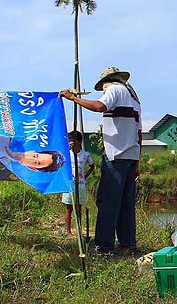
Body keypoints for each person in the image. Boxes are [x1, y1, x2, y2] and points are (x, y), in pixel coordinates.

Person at [60, 66, 142, 256]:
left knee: (107, 201)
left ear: (108, 82)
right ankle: (128, 243)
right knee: (125, 203)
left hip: (116, 155)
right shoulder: (134, 99)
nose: (104, 91)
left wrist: (74, 99)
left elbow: (99, 106)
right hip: (130, 156)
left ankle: (104, 246)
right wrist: (137, 162)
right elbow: (139, 134)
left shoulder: (114, 89)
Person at [62, 130, 95, 235]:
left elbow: (92, 166)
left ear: (79, 141)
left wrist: (85, 176)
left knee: (78, 208)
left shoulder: (85, 155)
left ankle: (79, 230)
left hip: (80, 184)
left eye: (72, 140)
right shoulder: (67, 154)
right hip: (69, 183)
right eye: (69, 141)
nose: (70, 143)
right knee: (68, 207)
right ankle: (68, 231)